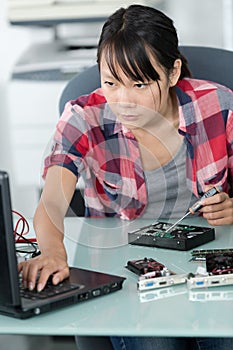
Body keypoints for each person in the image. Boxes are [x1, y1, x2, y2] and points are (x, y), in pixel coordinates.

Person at [19, 4, 233, 350]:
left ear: (173, 72)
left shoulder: (218, 105)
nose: (124, 100)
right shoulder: (84, 116)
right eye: (111, 83)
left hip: (211, 265)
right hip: (129, 271)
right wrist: (53, 252)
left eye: (139, 83)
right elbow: (52, 202)